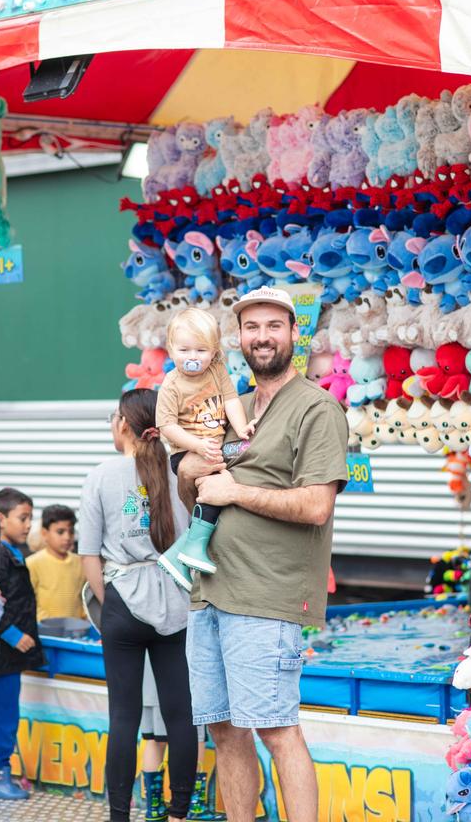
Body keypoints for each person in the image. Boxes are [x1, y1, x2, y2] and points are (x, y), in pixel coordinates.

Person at [181, 287, 348, 822]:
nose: (262, 337)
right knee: (225, 733)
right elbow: (199, 490)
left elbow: (317, 505)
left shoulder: (317, 408)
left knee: (277, 729)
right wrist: (188, 474)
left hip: (266, 596)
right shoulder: (233, 410)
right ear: (239, 339)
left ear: (294, 336)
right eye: (252, 328)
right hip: (208, 591)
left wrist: (236, 493)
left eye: (274, 326)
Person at [79, 388, 197, 822]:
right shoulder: (180, 471)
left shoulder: (102, 475)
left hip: (123, 602)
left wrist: (113, 602)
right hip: (176, 601)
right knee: (181, 715)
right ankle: (179, 813)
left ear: (123, 425)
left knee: (124, 718)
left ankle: (118, 815)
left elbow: (89, 555)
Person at [156, 307, 254, 587]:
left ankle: (180, 555)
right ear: (171, 349)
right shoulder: (171, 384)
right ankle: (189, 550)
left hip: (213, 447)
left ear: (213, 351)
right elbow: (167, 426)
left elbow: (231, 399)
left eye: (200, 350)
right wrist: (197, 445)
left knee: (220, 492)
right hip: (186, 451)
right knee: (215, 490)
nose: (192, 358)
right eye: (184, 350)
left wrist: (242, 426)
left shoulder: (216, 371)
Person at [0, 488, 44, 800]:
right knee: (1, 715)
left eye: (30, 518)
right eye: (22, 518)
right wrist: (15, 636)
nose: (28, 525)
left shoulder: (12, 552)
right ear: (1, 519)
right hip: (2, 654)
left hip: (4, 657)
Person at [26, 504, 85, 621]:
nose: (67, 537)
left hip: (76, 630)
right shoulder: (32, 563)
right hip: (45, 631)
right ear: (44, 533)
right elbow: (28, 601)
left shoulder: (81, 563)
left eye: (71, 532)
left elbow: (84, 597)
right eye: (60, 532)